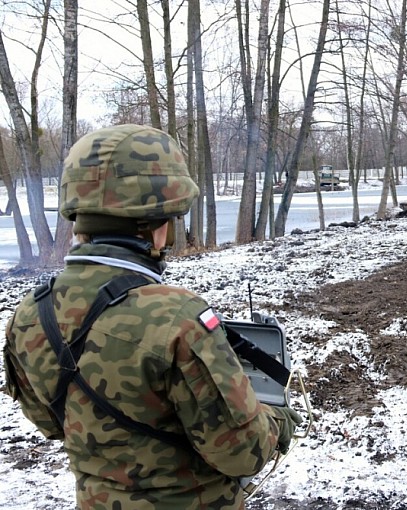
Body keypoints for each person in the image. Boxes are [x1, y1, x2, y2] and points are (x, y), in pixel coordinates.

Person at [3, 124, 302, 509]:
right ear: (159, 224)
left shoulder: (29, 313)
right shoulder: (177, 318)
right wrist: (276, 422)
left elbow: (51, 423)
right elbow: (243, 453)